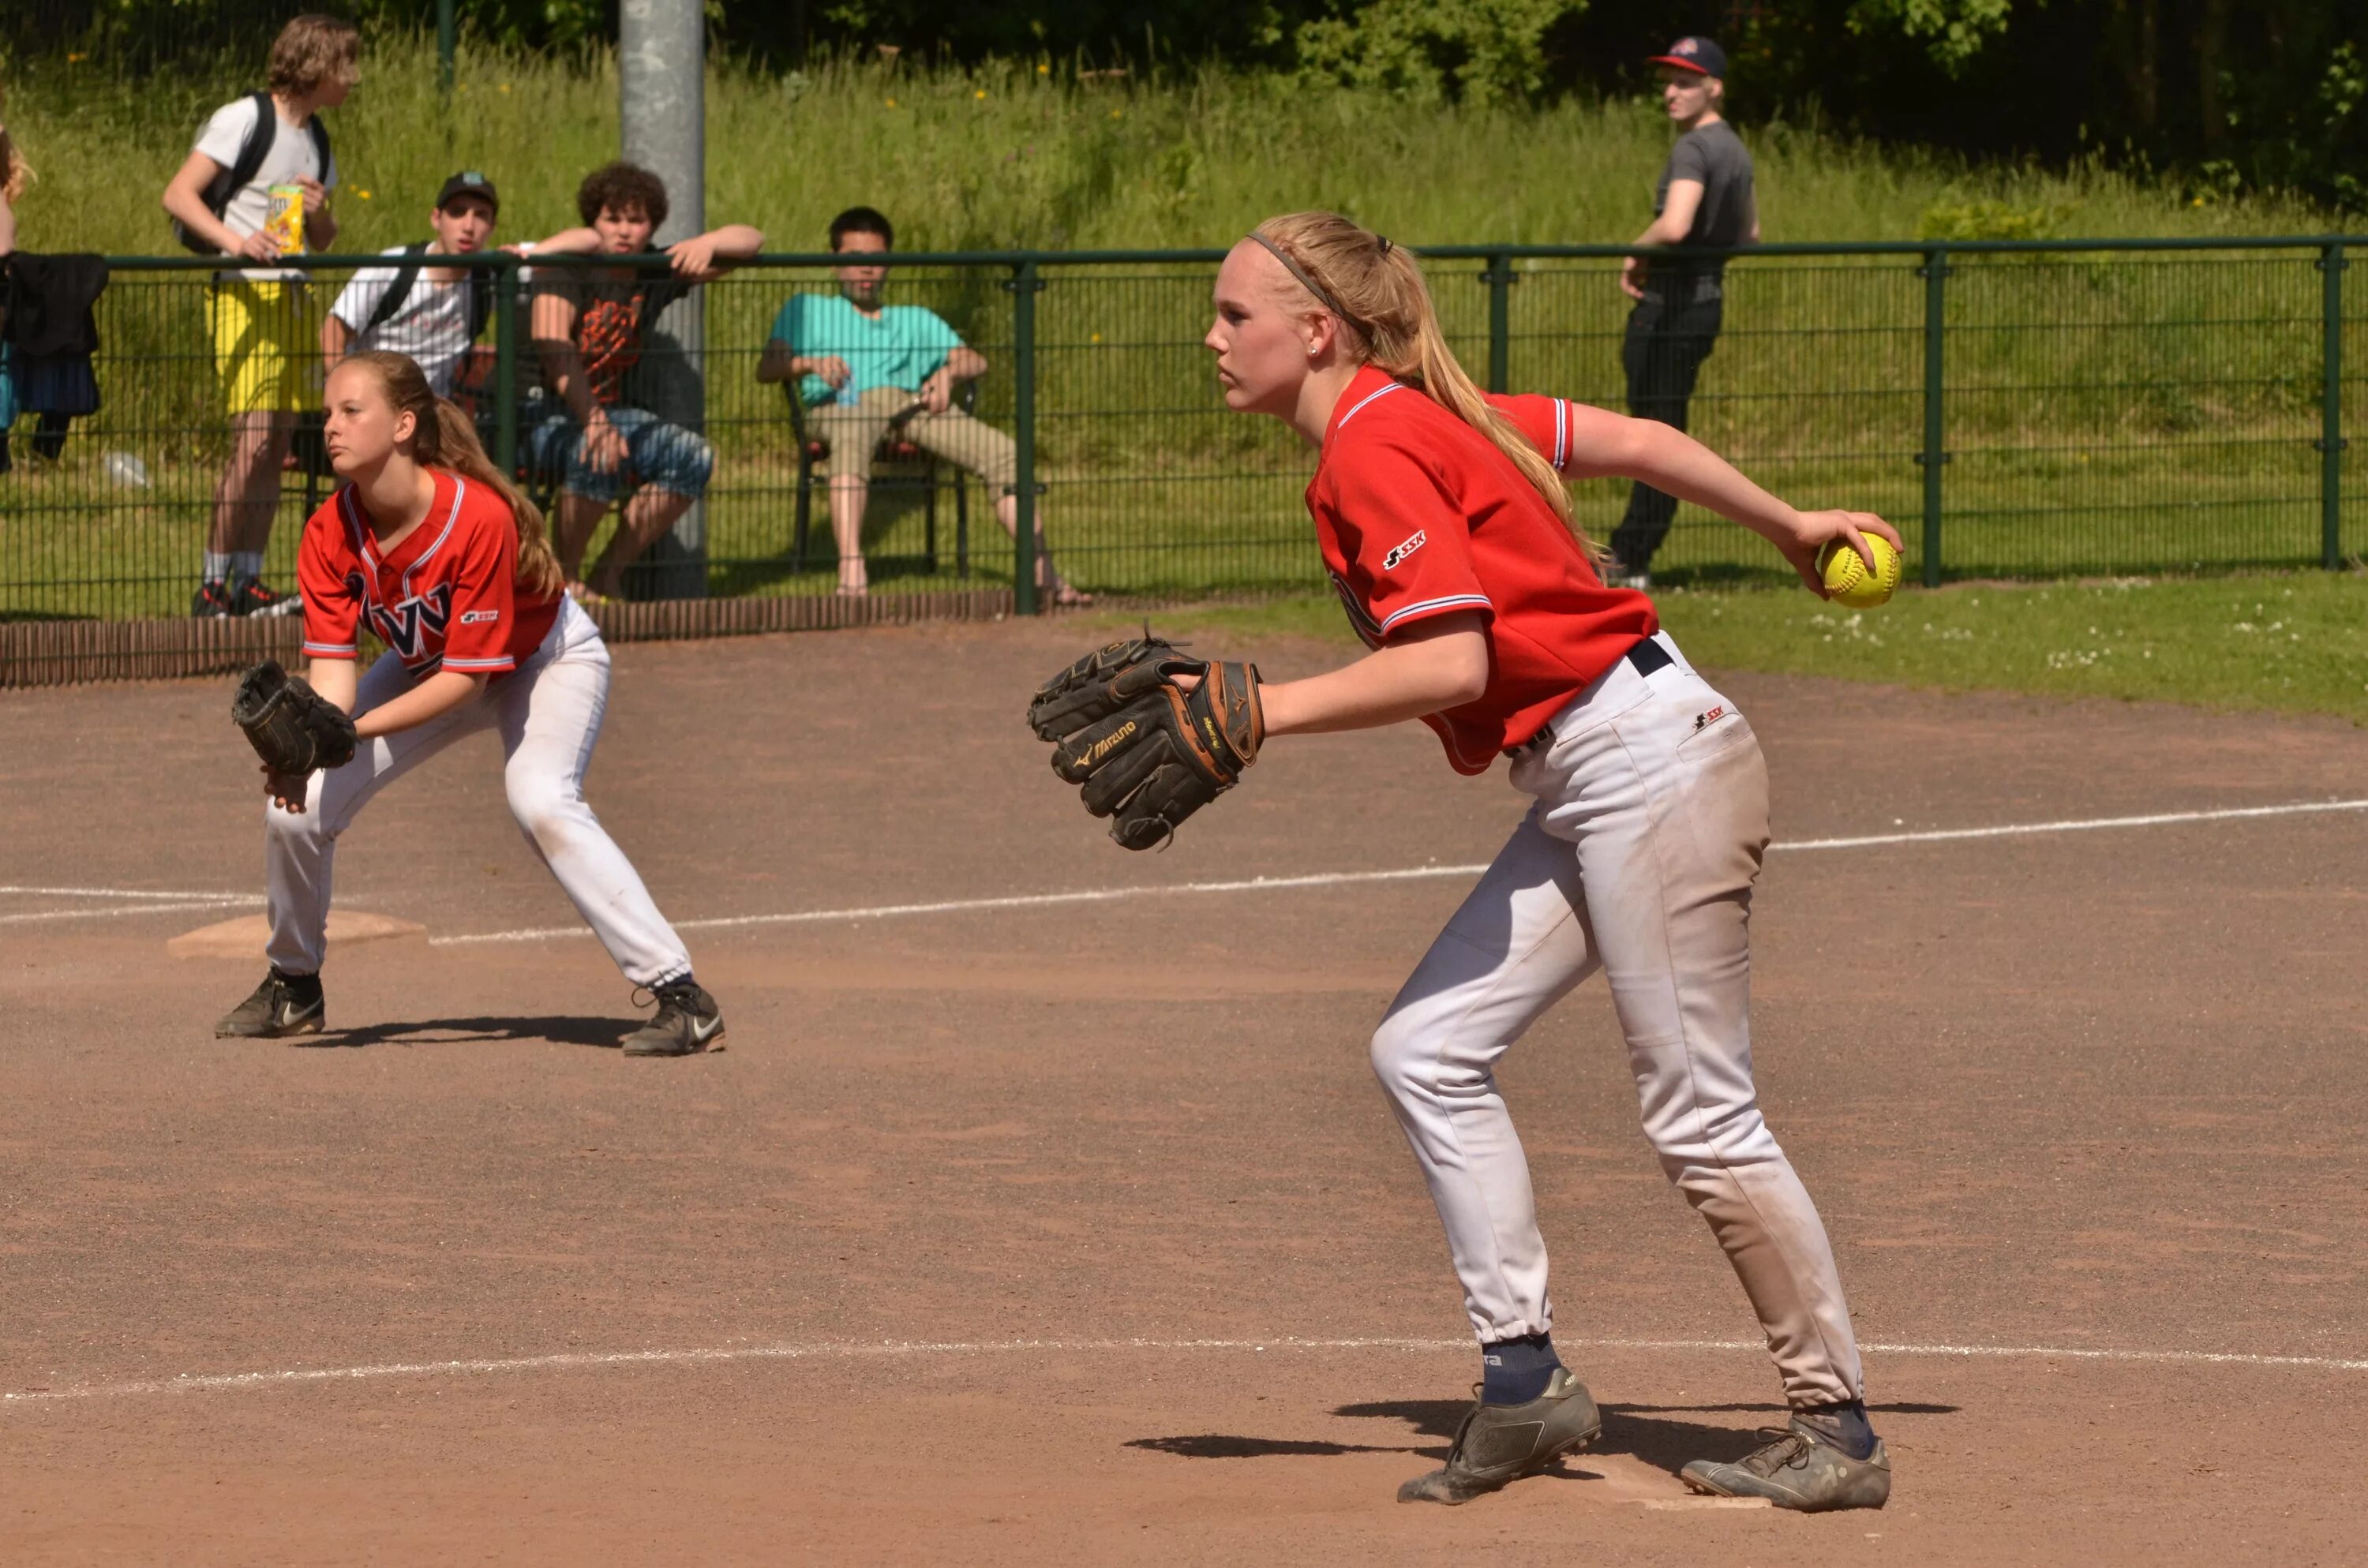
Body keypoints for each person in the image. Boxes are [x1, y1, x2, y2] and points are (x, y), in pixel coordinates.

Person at [1196, 212, 1894, 1510]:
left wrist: (1264, 707)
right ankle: (1523, 1378)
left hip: (1646, 767)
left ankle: (1836, 1426)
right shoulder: (1433, 413)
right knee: (1426, 1049)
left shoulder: (1376, 447)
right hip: (1604, 768)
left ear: (1318, 332)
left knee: (1700, 1113)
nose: (1215, 336)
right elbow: (1637, 441)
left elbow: (1453, 662)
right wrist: (1784, 522)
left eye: (1238, 315)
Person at [212, 350, 725, 1058]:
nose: (328, 425)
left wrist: (348, 731)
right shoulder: (329, 531)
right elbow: (332, 675)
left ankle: (682, 995)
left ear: (403, 425)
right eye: (327, 412)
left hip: (544, 659)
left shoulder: (473, 516)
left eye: (349, 410)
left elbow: (466, 682)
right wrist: (312, 744)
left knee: (540, 798)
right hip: (434, 666)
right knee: (294, 809)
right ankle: (293, 987)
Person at [755, 206, 1088, 603]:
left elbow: (974, 360)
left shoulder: (914, 318)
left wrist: (946, 375)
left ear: (891, 264)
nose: (866, 271)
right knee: (852, 430)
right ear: (833, 262)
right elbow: (768, 367)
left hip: (911, 406)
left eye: (877, 261)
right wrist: (811, 363)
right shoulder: (806, 309)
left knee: (1004, 453)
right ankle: (851, 569)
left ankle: (1043, 574)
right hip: (839, 405)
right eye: (854, 260)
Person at [160, 13, 358, 619]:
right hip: (244, 294)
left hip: (293, 295)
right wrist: (233, 242)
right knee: (251, 440)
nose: (354, 77)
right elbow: (178, 194)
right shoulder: (245, 117)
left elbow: (321, 239)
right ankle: (212, 584)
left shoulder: (317, 138)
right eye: (346, 62)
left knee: (277, 445)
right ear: (316, 63)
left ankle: (248, 579)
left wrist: (320, 211)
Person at [526, 162, 762, 601]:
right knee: (595, 450)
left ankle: (607, 573)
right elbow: (555, 348)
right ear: (593, 222)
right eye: (612, 219)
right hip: (539, 413)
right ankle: (567, 578)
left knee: (693, 457)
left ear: (651, 226)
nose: (624, 231)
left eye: (636, 221)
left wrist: (707, 242)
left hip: (611, 415)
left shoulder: (654, 267)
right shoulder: (568, 268)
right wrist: (595, 421)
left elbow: (752, 241)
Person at [1608, 35, 1757, 589]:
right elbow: (1751, 234)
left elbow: (1674, 225)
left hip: (1668, 310)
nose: (1671, 92)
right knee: (1662, 431)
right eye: (1669, 81)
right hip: (1706, 303)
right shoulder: (1737, 149)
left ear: (1713, 88)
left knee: (1651, 440)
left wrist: (1636, 253)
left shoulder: (1692, 149)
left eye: (1685, 82)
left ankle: (1630, 558)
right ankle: (1633, 551)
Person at [321, 171, 501, 399]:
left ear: (492, 227)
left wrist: (532, 254)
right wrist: (349, 401)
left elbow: (551, 257)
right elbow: (332, 332)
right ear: (436, 219)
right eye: (457, 212)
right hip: (373, 406)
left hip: (434, 412)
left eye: (481, 216)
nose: (468, 225)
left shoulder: (491, 279)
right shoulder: (391, 268)